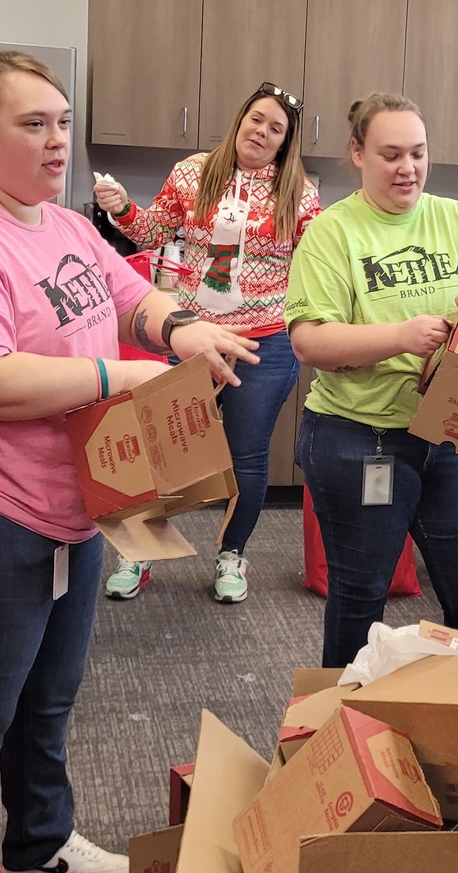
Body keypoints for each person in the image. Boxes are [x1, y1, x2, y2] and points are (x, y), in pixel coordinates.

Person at [0, 50, 258, 873]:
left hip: (73, 508)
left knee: (46, 705)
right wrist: (121, 375)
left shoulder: (60, 224)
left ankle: (36, 847)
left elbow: (132, 293)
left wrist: (180, 329)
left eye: (61, 122)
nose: (56, 142)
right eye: (31, 124)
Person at [284, 93, 458, 669]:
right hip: (362, 440)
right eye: (390, 154)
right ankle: (340, 736)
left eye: (417, 153)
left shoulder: (454, 218)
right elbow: (310, 341)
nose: (407, 168)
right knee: (363, 600)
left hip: (453, 433)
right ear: (358, 154)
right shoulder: (332, 234)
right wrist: (400, 336)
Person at [93, 82, 321, 604]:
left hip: (263, 342)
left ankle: (231, 556)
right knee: (161, 447)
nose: (262, 133)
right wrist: (123, 207)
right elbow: (151, 233)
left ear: (285, 142)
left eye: (276, 129)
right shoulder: (193, 173)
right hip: (190, 335)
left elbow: (315, 257)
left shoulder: (298, 192)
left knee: (246, 457)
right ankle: (140, 552)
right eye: (256, 120)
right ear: (240, 119)